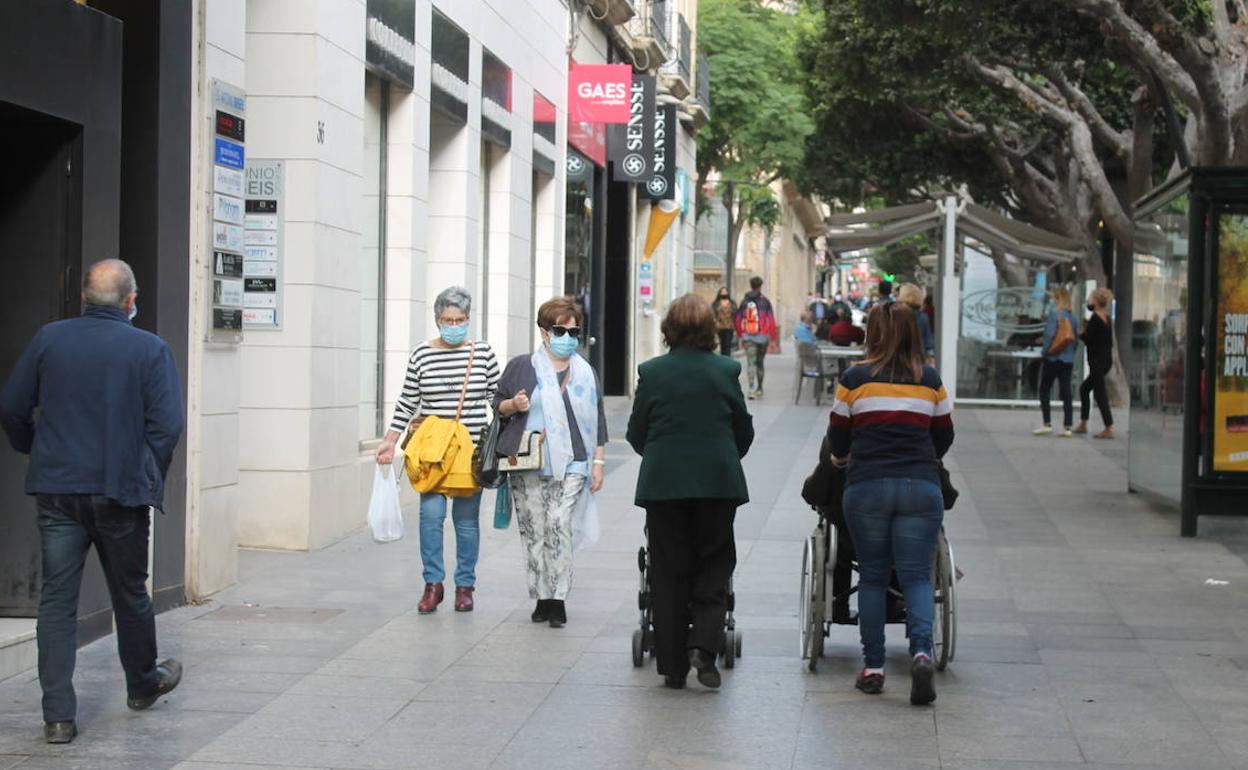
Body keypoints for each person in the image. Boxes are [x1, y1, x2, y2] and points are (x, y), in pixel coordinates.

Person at [0, 259, 185, 744]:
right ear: (130, 301)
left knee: (57, 601)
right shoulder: (149, 348)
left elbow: (13, 407)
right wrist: (146, 473)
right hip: (120, 491)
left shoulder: (49, 339)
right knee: (130, 592)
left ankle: (58, 716)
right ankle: (142, 684)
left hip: (58, 488)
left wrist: (33, 446)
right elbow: (167, 425)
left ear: (84, 297)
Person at [827, 301, 954, 706]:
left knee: (874, 577)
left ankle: (875, 668)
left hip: (867, 488)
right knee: (917, 576)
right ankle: (920, 652)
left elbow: (839, 438)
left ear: (873, 334)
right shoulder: (931, 381)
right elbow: (944, 438)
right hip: (920, 487)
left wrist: (842, 457)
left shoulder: (854, 379)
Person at [627, 295, 754, 690]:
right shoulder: (725, 371)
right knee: (715, 562)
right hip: (717, 482)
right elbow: (742, 429)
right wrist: (725, 455)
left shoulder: (653, 371)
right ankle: (703, 645)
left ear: (669, 329)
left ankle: (672, 665)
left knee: (667, 569)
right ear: (709, 331)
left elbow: (636, 432)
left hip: (665, 485)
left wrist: (662, 454)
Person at [375, 287, 500, 613]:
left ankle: (464, 587)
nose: (454, 325)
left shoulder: (483, 353)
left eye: (460, 319)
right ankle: (433, 584)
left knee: (466, 522)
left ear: (468, 319)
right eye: (447, 320)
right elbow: (407, 400)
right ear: (437, 320)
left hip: (469, 452)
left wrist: (513, 413)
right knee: (430, 518)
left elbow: (496, 400)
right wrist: (390, 440)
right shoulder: (422, 354)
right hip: (431, 454)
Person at [493, 297, 606, 628]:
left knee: (558, 523)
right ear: (544, 332)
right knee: (534, 531)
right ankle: (541, 596)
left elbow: (597, 418)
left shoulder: (585, 372)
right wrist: (514, 404)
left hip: (574, 463)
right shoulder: (521, 367)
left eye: (574, 332)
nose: (568, 338)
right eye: (560, 330)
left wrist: (598, 462)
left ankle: (558, 598)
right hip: (527, 461)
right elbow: (497, 403)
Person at [1034, 287, 1078, 437]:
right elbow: (1075, 339)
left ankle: (1047, 423)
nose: (1052, 300)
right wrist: (1071, 354)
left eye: (1054, 298)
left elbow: (1049, 335)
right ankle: (1068, 426)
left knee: (1045, 388)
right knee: (1066, 392)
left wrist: (1045, 351)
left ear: (1058, 299)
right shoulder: (1073, 317)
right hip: (1068, 359)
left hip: (1053, 358)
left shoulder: (1055, 314)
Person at [1075, 287, 1115, 439]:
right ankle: (1084, 423)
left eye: (1091, 298)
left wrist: (1079, 333)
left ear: (1097, 302)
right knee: (1085, 389)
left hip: (1097, 361)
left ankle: (1109, 426)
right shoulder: (1107, 318)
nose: (1089, 301)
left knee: (1100, 392)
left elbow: (1088, 338)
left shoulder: (1095, 318)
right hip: (1105, 360)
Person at [734, 276, 778, 399]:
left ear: (751, 285)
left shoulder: (744, 302)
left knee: (751, 363)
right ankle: (760, 388)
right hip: (762, 337)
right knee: (760, 363)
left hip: (748, 337)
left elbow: (737, 320)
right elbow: (772, 321)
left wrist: (740, 335)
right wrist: (773, 339)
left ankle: (751, 389)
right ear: (760, 286)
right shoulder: (765, 302)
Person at [897, 283, 936, 362]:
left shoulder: (897, 316)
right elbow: (928, 342)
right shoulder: (923, 317)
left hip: (899, 360)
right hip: (918, 360)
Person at [712, 286, 736, 357]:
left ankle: (727, 358)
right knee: (722, 344)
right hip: (720, 327)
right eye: (722, 292)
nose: (724, 293)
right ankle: (723, 358)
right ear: (719, 293)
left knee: (728, 344)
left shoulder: (732, 303)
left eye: (725, 292)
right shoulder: (716, 303)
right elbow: (713, 313)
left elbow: (735, 313)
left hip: (729, 326)